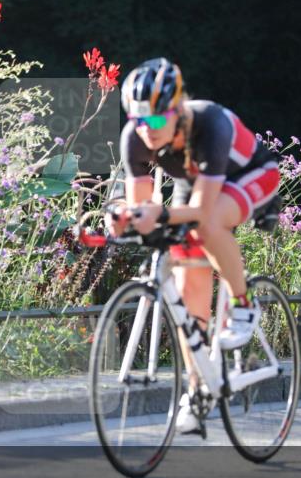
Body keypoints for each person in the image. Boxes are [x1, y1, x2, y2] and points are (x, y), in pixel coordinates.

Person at [107, 57, 280, 432]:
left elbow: (201, 210)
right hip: (197, 182)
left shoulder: (210, 124)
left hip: (251, 174)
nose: (146, 130)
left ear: (178, 109)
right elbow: (141, 205)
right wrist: (122, 215)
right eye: (137, 120)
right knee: (187, 277)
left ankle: (244, 302)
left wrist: (162, 215)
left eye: (154, 119)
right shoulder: (135, 138)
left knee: (207, 224)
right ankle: (198, 388)